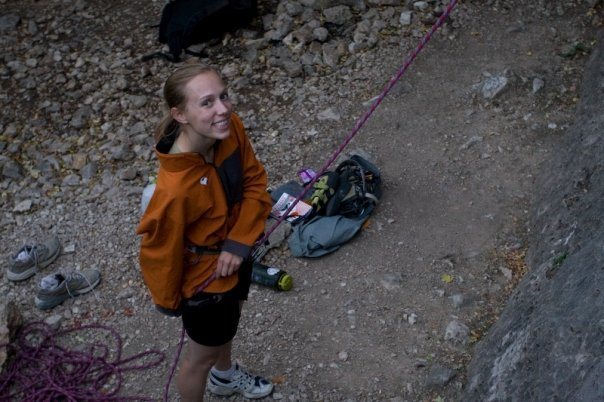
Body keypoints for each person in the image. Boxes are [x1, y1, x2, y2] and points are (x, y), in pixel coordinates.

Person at [136, 63, 274, 401]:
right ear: (180, 114)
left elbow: (255, 182)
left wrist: (238, 243)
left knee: (231, 319)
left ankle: (225, 377)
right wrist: (171, 301)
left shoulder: (230, 130)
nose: (223, 109)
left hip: (234, 256)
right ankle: (213, 375)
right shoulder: (174, 190)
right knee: (200, 358)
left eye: (223, 96)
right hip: (203, 282)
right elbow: (159, 251)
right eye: (207, 102)